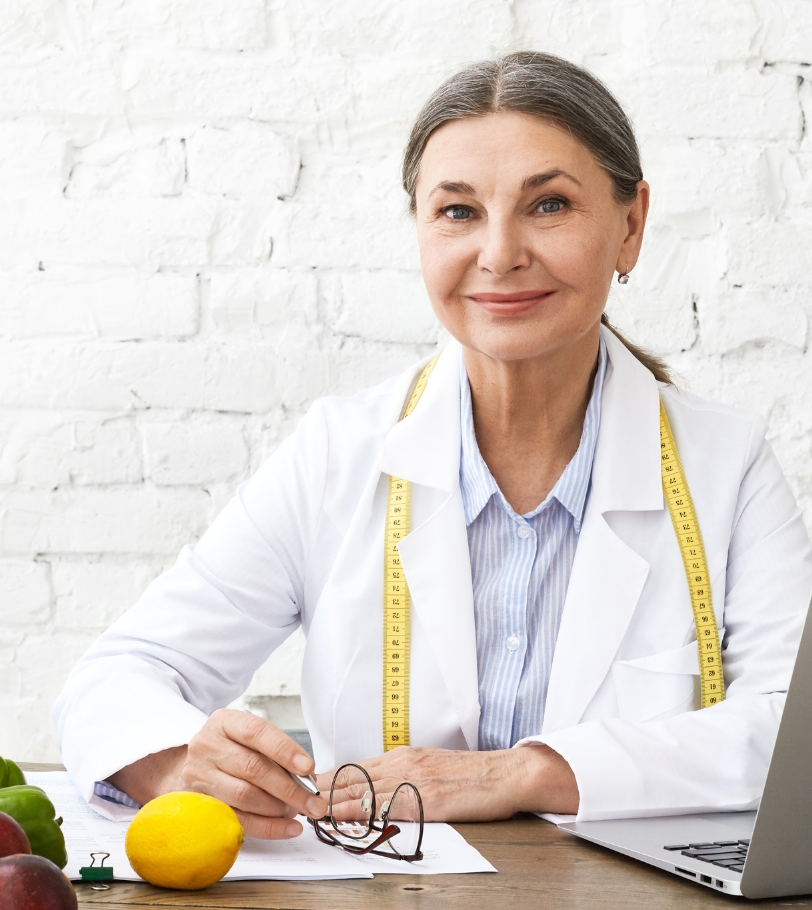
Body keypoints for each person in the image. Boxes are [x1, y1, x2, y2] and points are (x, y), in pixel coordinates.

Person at [52, 51, 812, 839]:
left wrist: (520, 774)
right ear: (419, 229)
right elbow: (112, 679)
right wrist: (182, 768)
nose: (500, 252)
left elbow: (793, 735)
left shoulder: (726, 469)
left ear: (631, 226)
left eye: (548, 205)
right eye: (458, 212)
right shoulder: (338, 456)